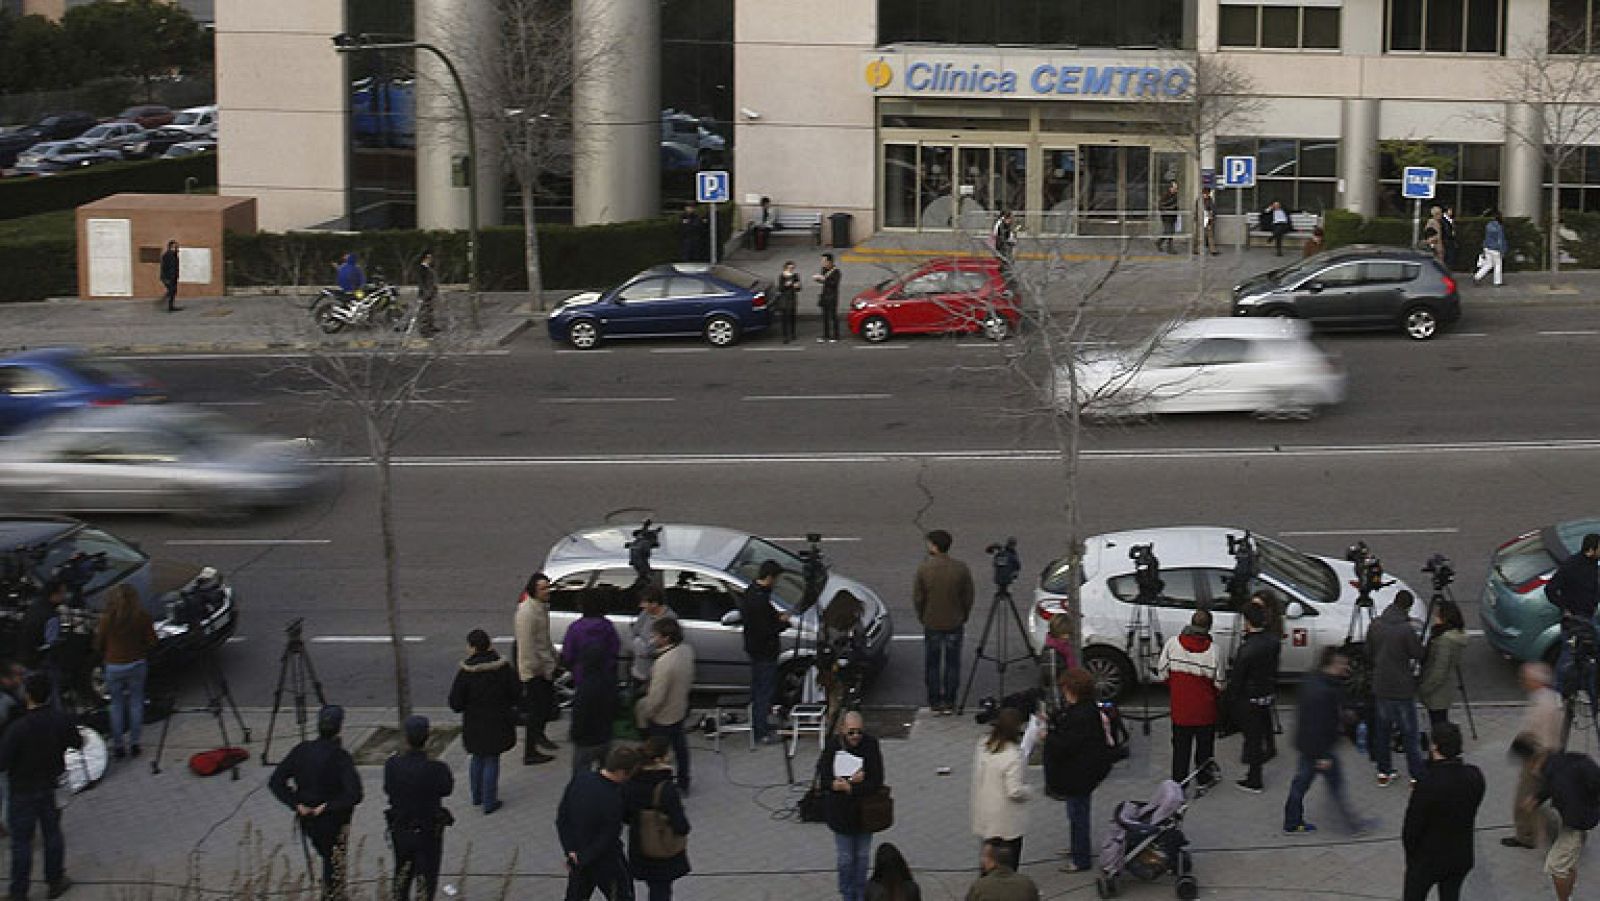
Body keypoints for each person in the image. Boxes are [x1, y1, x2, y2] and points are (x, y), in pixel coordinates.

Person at [0, 671, 80, 901]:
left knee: (21, 842)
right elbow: (77, 741)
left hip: (22, 790)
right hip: (50, 785)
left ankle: (19, 892)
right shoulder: (59, 718)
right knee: (53, 833)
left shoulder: (17, 728)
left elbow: (2, 762)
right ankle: (55, 881)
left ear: (28, 695)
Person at [268, 705, 363, 900]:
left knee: (328, 859)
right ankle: (333, 895)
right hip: (333, 820)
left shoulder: (302, 750)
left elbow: (276, 781)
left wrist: (296, 803)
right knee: (334, 865)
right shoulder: (340, 757)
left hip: (307, 820)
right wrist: (328, 806)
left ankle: (332, 893)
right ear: (339, 728)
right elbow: (355, 794)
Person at [1283, 648, 1368, 835]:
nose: (1346, 667)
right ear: (1332, 664)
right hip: (1320, 748)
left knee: (1301, 783)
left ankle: (1292, 821)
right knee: (1333, 785)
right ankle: (1351, 825)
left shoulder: (1314, 680)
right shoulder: (1322, 691)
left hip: (1309, 745)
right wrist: (1321, 755)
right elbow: (1316, 724)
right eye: (1342, 664)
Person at [1402, 723, 1484, 901]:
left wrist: (1412, 858)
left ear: (1434, 746)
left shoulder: (1427, 784)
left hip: (1427, 859)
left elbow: (1411, 829)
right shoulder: (1474, 775)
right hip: (1460, 854)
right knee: (1451, 896)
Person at [1042, 667, 1112, 874]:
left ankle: (1080, 858)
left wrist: (1047, 737)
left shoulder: (1080, 715)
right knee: (1077, 813)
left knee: (1078, 815)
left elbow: (1066, 744)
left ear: (1072, 690)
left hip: (1079, 775)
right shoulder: (1086, 709)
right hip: (1086, 772)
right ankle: (1077, 848)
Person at [448, 629, 519, 815]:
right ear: (489, 645)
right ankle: (490, 801)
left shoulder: (466, 672)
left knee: (477, 757)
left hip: (474, 724)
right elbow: (516, 694)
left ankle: (477, 796)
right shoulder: (502, 668)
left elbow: (455, 702)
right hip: (498, 722)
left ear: (472, 647)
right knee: (492, 759)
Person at [557, 743, 642, 901]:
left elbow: (562, 818)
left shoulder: (581, 779)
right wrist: (584, 857)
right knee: (621, 895)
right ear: (622, 772)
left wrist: (571, 851)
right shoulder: (613, 798)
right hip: (606, 861)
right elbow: (607, 837)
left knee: (575, 896)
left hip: (578, 857)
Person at [384, 715, 454, 901]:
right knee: (427, 878)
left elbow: (387, 789)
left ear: (406, 738)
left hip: (401, 828)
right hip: (428, 830)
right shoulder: (437, 768)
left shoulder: (392, 765)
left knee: (402, 874)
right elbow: (447, 789)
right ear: (427, 738)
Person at [817, 711, 885, 901]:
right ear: (842, 730)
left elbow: (877, 780)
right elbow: (823, 777)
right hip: (841, 813)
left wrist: (853, 787)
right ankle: (847, 894)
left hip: (864, 813)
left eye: (859, 732)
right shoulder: (832, 746)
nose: (856, 736)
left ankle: (861, 893)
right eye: (851, 732)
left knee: (862, 857)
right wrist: (834, 784)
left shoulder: (870, 745)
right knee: (846, 858)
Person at [1156, 608, 1222, 787]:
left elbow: (1162, 673)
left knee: (1180, 749)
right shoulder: (1214, 651)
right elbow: (1219, 684)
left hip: (1181, 710)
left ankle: (1179, 784)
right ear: (1209, 627)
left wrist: (1176, 687)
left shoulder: (1172, 644)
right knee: (1204, 749)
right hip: (1205, 712)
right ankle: (1203, 780)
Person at [1367, 589, 1426, 786]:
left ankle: (1383, 772)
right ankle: (1416, 775)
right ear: (1407, 607)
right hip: (1401, 688)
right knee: (1409, 733)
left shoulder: (1376, 624)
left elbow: (1368, 652)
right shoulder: (1405, 630)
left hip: (1381, 685)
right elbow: (1417, 653)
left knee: (1382, 731)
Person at [913, 529, 975, 716]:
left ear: (934, 546)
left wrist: (922, 615)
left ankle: (934, 701)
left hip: (932, 622)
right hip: (954, 621)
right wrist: (963, 614)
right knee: (952, 663)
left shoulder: (924, 569)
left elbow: (918, 597)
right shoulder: (960, 568)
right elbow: (968, 595)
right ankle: (949, 700)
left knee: (932, 663)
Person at [1503, 662, 1563, 849]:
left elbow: (1544, 741)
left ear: (1535, 681)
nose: (1522, 681)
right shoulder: (1549, 697)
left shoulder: (1544, 706)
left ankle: (1527, 836)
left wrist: (1537, 765)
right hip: (1542, 754)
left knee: (1526, 799)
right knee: (1534, 796)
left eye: (1526, 679)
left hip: (1537, 757)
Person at [622, 736, 690, 901]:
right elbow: (681, 825)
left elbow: (625, 816)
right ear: (659, 759)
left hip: (639, 844)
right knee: (661, 890)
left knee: (653, 884)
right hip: (662, 847)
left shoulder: (629, 783)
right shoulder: (666, 788)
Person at [93, 583, 155, 760]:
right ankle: (135, 743)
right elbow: (152, 641)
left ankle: (118, 745)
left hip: (114, 664)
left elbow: (99, 643)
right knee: (136, 702)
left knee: (116, 704)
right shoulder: (141, 617)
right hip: (136, 662)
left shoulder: (107, 619)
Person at [635, 617, 694, 794]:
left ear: (666, 638)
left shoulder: (664, 663)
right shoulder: (686, 650)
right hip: (679, 708)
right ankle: (684, 782)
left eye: (655, 636)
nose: (652, 639)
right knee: (681, 748)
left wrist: (648, 713)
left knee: (657, 754)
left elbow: (657, 696)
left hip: (663, 716)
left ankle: (660, 788)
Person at [1534, 748, 1600, 901]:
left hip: (1575, 825)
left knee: (1556, 865)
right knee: (1568, 862)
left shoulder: (1557, 776)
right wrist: (1536, 799)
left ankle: (1565, 898)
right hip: (1576, 822)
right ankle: (1568, 894)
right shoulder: (1559, 766)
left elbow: (1560, 791)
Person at [971, 707, 1031, 866]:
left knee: (988, 857)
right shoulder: (1013, 755)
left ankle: (986, 887)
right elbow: (1014, 791)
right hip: (1006, 819)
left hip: (986, 811)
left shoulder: (983, 745)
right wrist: (1028, 791)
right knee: (1008, 861)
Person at [739, 560, 791, 744]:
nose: (776, 582)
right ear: (769, 577)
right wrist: (783, 623)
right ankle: (761, 732)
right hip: (764, 652)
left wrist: (775, 616)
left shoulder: (753, 591)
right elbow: (766, 629)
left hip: (756, 649)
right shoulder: (759, 600)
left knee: (759, 688)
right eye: (775, 578)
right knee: (764, 691)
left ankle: (759, 724)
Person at [1545, 532, 1600, 702]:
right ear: (1591, 550)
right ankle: (1559, 694)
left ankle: (1590, 693)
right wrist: (1565, 608)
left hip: (1588, 616)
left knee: (1589, 656)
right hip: (1576, 619)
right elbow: (1550, 590)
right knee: (1568, 657)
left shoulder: (1593, 565)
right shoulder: (1571, 567)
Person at [1232, 602, 1280, 793]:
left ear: (1247, 622)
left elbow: (1238, 678)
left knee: (1252, 739)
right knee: (1264, 726)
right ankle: (1269, 749)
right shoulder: (1273, 641)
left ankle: (1255, 779)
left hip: (1249, 698)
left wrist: (1232, 698)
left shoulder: (1247, 649)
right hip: (1266, 693)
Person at [514, 572, 559, 766]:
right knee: (536, 710)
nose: (547, 591)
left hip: (544, 665)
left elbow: (544, 639)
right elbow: (527, 645)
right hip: (534, 670)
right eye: (543, 588)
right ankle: (530, 751)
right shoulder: (527, 613)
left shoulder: (541, 608)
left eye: (548, 587)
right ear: (533, 590)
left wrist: (554, 659)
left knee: (545, 706)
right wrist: (534, 671)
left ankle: (539, 735)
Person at [1418, 600, 1468, 727]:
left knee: (1438, 723)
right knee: (1439, 721)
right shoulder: (1452, 635)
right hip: (1441, 691)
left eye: (1437, 615)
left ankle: (1442, 744)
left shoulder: (1445, 641)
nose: (1435, 617)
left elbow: (1439, 670)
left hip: (1437, 693)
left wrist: (1424, 689)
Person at [571, 642, 619, 775]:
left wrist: (575, 734)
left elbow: (579, 714)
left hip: (586, 740)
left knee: (580, 774)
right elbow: (616, 707)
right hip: (605, 736)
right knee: (605, 773)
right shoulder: (610, 681)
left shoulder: (585, 687)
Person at [563, 588, 622, 693]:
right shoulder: (607, 627)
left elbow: (568, 654)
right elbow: (615, 650)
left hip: (582, 677)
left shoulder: (575, 628)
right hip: (605, 678)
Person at [630, 584, 677, 692]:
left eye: (644, 602)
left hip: (655, 674)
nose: (641, 605)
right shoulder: (645, 614)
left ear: (655, 603)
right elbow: (634, 634)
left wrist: (642, 646)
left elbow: (661, 647)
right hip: (638, 670)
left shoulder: (669, 619)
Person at [964, 838, 1039, 901]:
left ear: (992, 862)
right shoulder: (1028, 885)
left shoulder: (979, 887)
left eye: (985, 857)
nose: (982, 860)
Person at [1474, 209, 1507, 287]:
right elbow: (1500, 240)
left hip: (1487, 248)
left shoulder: (1488, 225)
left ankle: (1477, 276)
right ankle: (1497, 282)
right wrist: (1503, 250)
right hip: (1496, 249)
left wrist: (1484, 247)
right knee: (1498, 264)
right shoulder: (1499, 227)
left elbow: (1486, 237)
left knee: (1488, 264)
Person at [814, 253, 842, 342]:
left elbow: (834, 284)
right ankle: (826, 335)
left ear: (829, 262)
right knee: (825, 317)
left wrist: (823, 279)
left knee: (833, 316)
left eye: (824, 261)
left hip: (832, 297)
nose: (822, 263)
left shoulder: (836, 272)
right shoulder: (824, 270)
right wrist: (818, 279)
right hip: (824, 296)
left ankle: (836, 335)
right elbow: (824, 282)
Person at [415, 249, 440, 337]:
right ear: (425, 258)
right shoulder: (421, 268)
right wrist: (425, 291)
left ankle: (430, 326)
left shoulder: (428, 268)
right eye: (429, 257)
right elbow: (421, 282)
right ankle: (424, 330)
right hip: (425, 293)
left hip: (430, 292)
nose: (430, 259)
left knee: (430, 310)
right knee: (424, 312)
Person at [776, 260, 801, 343]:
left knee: (792, 317)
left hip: (792, 298)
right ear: (786, 267)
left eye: (792, 268)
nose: (791, 269)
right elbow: (780, 288)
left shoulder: (795, 276)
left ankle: (793, 333)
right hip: (784, 299)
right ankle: (785, 336)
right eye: (790, 268)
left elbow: (799, 288)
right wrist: (786, 285)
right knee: (785, 318)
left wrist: (797, 286)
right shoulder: (782, 276)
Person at [1156, 181, 1179, 253]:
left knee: (1171, 232)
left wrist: (1176, 209)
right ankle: (1169, 248)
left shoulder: (1175, 196)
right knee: (1168, 232)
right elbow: (1161, 206)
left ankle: (1160, 243)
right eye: (1174, 188)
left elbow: (1175, 205)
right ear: (1170, 188)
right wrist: (1170, 208)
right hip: (1166, 217)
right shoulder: (1165, 195)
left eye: (1176, 188)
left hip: (1173, 216)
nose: (1175, 189)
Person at [159, 239, 181, 312]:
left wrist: (176, 275)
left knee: (173, 291)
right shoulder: (167, 255)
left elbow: (175, 267)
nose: (177, 248)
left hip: (173, 277)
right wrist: (165, 278)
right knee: (172, 291)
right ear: (171, 247)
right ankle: (164, 303)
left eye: (177, 247)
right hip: (168, 277)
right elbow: (164, 267)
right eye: (175, 247)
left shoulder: (174, 255)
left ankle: (170, 306)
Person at [1199, 188, 1218, 255]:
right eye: (1204, 193)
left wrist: (1211, 216)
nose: (1205, 195)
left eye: (1207, 193)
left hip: (1208, 219)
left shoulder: (1210, 200)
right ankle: (1197, 249)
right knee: (1199, 235)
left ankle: (1213, 250)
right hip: (1201, 219)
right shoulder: (1199, 200)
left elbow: (1213, 210)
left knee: (1210, 235)